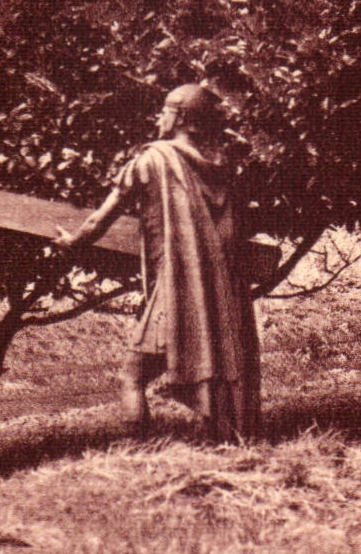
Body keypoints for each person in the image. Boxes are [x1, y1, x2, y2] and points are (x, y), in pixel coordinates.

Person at [56, 84, 261, 442]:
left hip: (177, 292)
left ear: (180, 117)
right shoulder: (221, 166)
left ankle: (139, 449)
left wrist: (71, 242)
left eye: (166, 110)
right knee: (208, 368)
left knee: (131, 376)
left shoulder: (153, 159)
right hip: (216, 294)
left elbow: (100, 218)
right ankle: (221, 439)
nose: (159, 117)